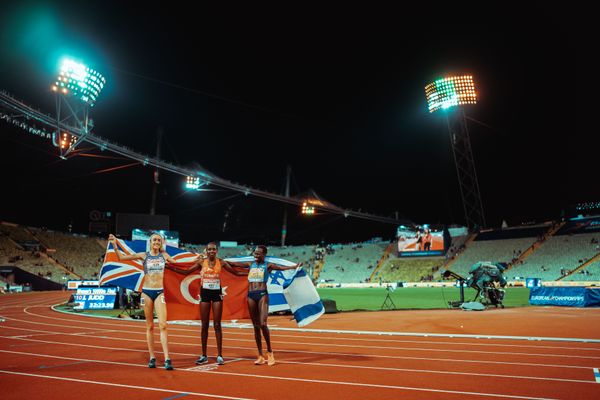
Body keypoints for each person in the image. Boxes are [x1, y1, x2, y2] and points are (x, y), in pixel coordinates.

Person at [168, 242, 247, 365]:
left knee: (217, 324)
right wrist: (169, 267)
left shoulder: (221, 262)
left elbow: (236, 273)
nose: (211, 251)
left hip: (217, 294)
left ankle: (220, 355)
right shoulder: (201, 262)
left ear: (216, 251)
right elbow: (186, 272)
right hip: (204, 293)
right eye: (209, 249)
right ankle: (203, 355)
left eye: (213, 249)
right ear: (206, 250)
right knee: (204, 325)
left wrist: (251, 273)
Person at [108, 233, 176, 370]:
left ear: (161, 243)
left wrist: (198, 259)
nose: (156, 242)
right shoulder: (143, 255)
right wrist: (115, 244)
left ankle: (167, 358)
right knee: (149, 326)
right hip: (146, 292)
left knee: (163, 325)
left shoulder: (165, 256)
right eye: (154, 240)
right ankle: (152, 357)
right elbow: (121, 257)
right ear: (150, 242)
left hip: (159, 292)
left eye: (159, 240)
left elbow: (181, 265)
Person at [227, 245, 301, 366]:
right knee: (256, 326)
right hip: (251, 295)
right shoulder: (250, 264)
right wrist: (220, 261)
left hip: (262, 295)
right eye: (255, 253)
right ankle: (260, 355)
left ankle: (270, 352)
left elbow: (282, 268)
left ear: (264, 255)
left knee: (263, 323)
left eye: (258, 253)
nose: (256, 255)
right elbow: (233, 264)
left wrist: (294, 266)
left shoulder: (268, 266)